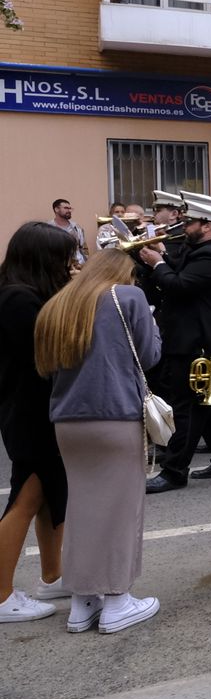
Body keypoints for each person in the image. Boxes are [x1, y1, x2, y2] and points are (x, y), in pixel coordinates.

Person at [35, 248, 162, 633]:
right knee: (122, 509)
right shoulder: (128, 297)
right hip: (116, 414)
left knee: (82, 509)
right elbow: (151, 355)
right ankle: (117, 599)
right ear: (125, 272)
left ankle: (82, 601)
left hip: (68, 420)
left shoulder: (58, 303)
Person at [0, 223, 76, 623]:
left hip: (37, 410)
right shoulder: (18, 299)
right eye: (64, 257)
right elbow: (46, 352)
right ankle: (0, 595)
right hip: (28, 412)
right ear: (43, 259)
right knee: (26, 498)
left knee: (50, 495)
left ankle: (53, 575)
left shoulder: (24, 294)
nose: (70, 264)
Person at [142, 198, 211, 493]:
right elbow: (180, 270)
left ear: (207, 226)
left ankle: (174, 471)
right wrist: (161, 256)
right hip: (192, 339)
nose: (184, 227)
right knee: (209, 402)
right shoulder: (204, 251)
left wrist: (158, 263)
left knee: (186, 406)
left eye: (190, 223)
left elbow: (179, 284)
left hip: (196, 342)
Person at [49, 199, 85, 266]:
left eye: (70, 208)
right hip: (56, 267)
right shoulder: (48, 228)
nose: (69, 210)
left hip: (78, 266)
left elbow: (83, 248)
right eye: (65, 208)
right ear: (56, 209)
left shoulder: (76, 227)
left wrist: (85, 264)